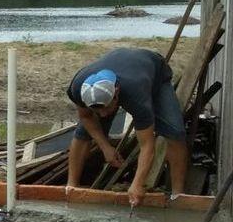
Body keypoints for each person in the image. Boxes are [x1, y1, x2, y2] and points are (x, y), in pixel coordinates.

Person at [66, 47, 189, 205]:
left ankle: (178, 195)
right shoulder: (79, 87)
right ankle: (71, 187)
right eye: (97, 109)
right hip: (119, 61)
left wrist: (137, 184)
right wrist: (105, 147)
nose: (103, 114)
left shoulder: (137, 95)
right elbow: (85, 116)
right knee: (83, 133)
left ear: (116, 93)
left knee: (175, 132)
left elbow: (147, 145)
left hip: (154, 71)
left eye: (106, 108)